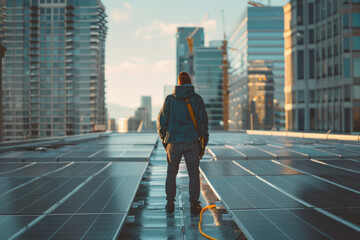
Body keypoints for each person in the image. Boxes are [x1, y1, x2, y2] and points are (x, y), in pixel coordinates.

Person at [157, 71, 209, 214]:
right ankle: (194, 204)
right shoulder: (197, 99)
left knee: (171, 173)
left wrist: (165, 141)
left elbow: (161, 122)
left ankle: (169, 203)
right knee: (193, 173)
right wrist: (203, 143)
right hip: (192, 142)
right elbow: (203, 123)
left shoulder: (170, 99)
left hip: (173, 142)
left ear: (178, 82)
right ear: (190, 82)